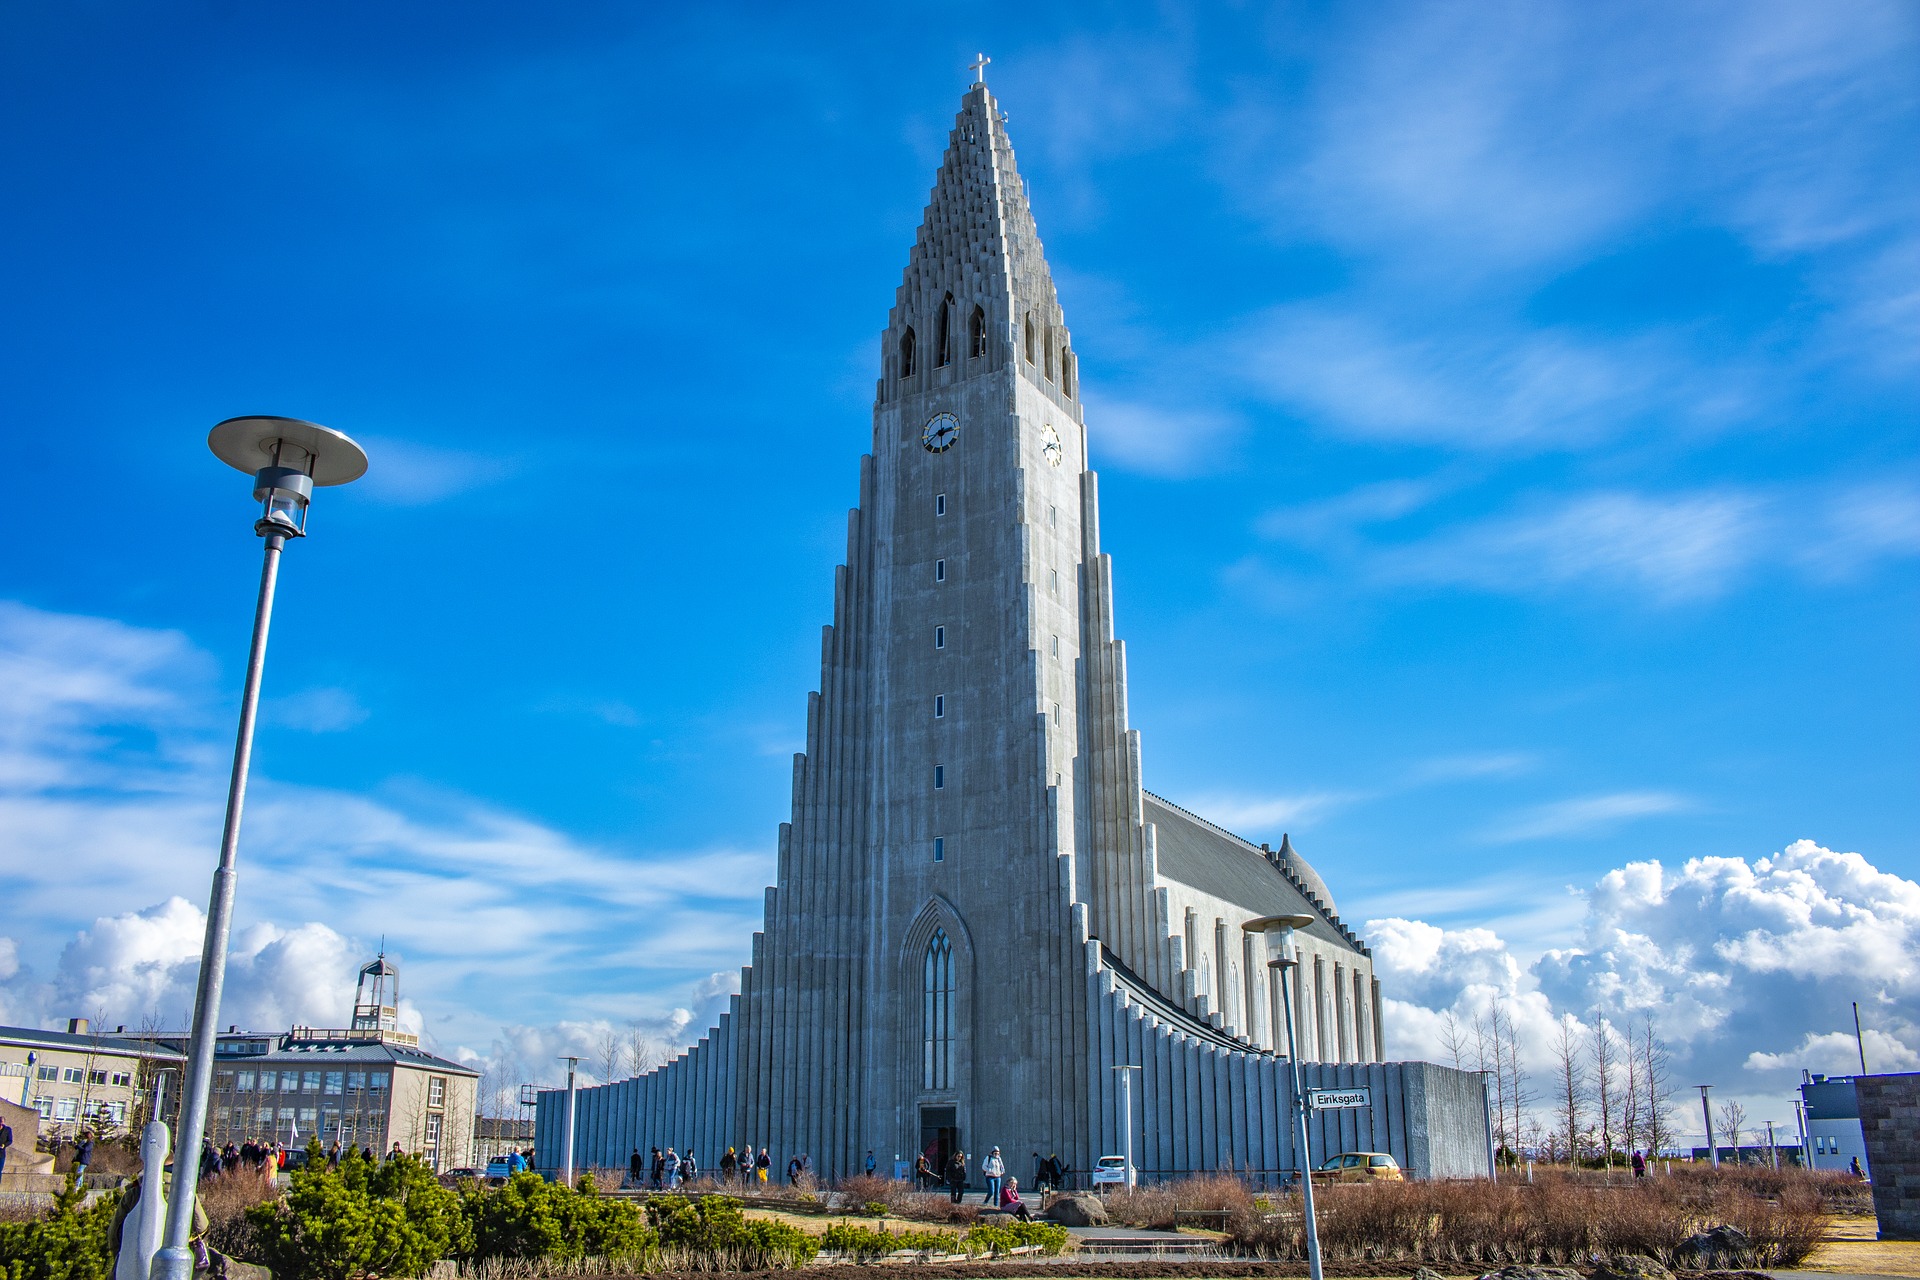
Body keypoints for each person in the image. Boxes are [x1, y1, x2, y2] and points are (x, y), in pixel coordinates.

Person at [0, 1116, 12, 1183]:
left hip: (1, 1153)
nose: (1, 1123)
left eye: (2, 1121)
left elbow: (10, 1140)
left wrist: (4, 1145)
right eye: (0, 1121)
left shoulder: (7, 1129)